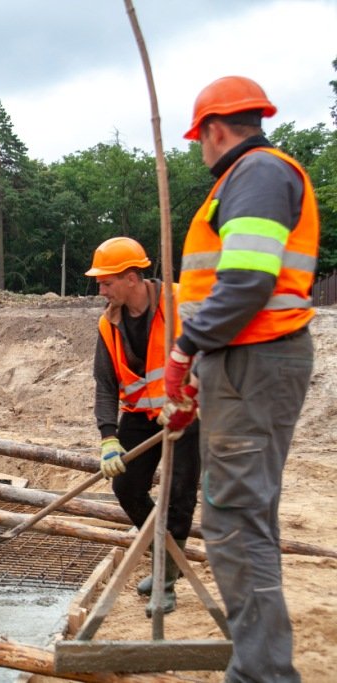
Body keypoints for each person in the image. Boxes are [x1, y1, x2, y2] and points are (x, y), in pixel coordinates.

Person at [166, 76, 317, 682]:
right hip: (244, 361)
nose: (199, 151)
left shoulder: (254, 174)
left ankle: (261, 675)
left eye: (198, 139)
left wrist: (186, 348)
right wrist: (206, 366)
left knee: (233, 519)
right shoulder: (255, 176)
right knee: (245, 516)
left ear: (213, 130)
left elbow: (248, 281)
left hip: (254, 358)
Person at [87, 237, 201, 616]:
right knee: (127, 486)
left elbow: (216, 352)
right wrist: (108, 437)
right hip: (140, 414)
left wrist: (187, 397)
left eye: (106, 282)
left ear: (132, 277)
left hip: (187, 411)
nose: (100, 290)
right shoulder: (109, 323)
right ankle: (168, 559)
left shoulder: (181, 302)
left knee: (179, 491)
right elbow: (106, 384)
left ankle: (165, 579)